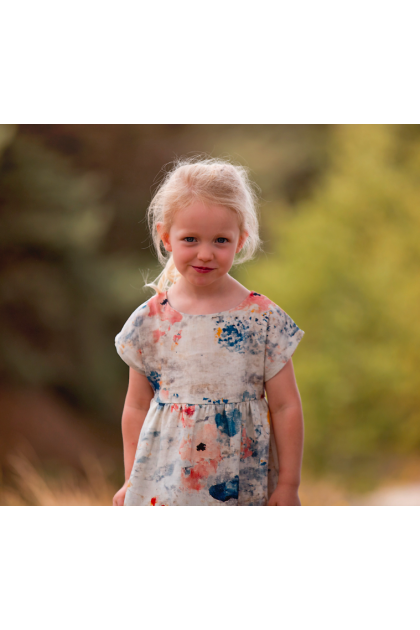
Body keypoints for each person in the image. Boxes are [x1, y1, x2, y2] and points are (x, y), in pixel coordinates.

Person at [112, 157, 305, 506]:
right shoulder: (149, 321)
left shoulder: (261, 318)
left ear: (240, 240)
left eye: (220, 240)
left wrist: (289, 484)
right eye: (190, 239)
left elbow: (286, 405)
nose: (205, 253)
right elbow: (136, 406)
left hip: (243, 485)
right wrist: (131, 480)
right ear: (166, 237)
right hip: (165, 489)